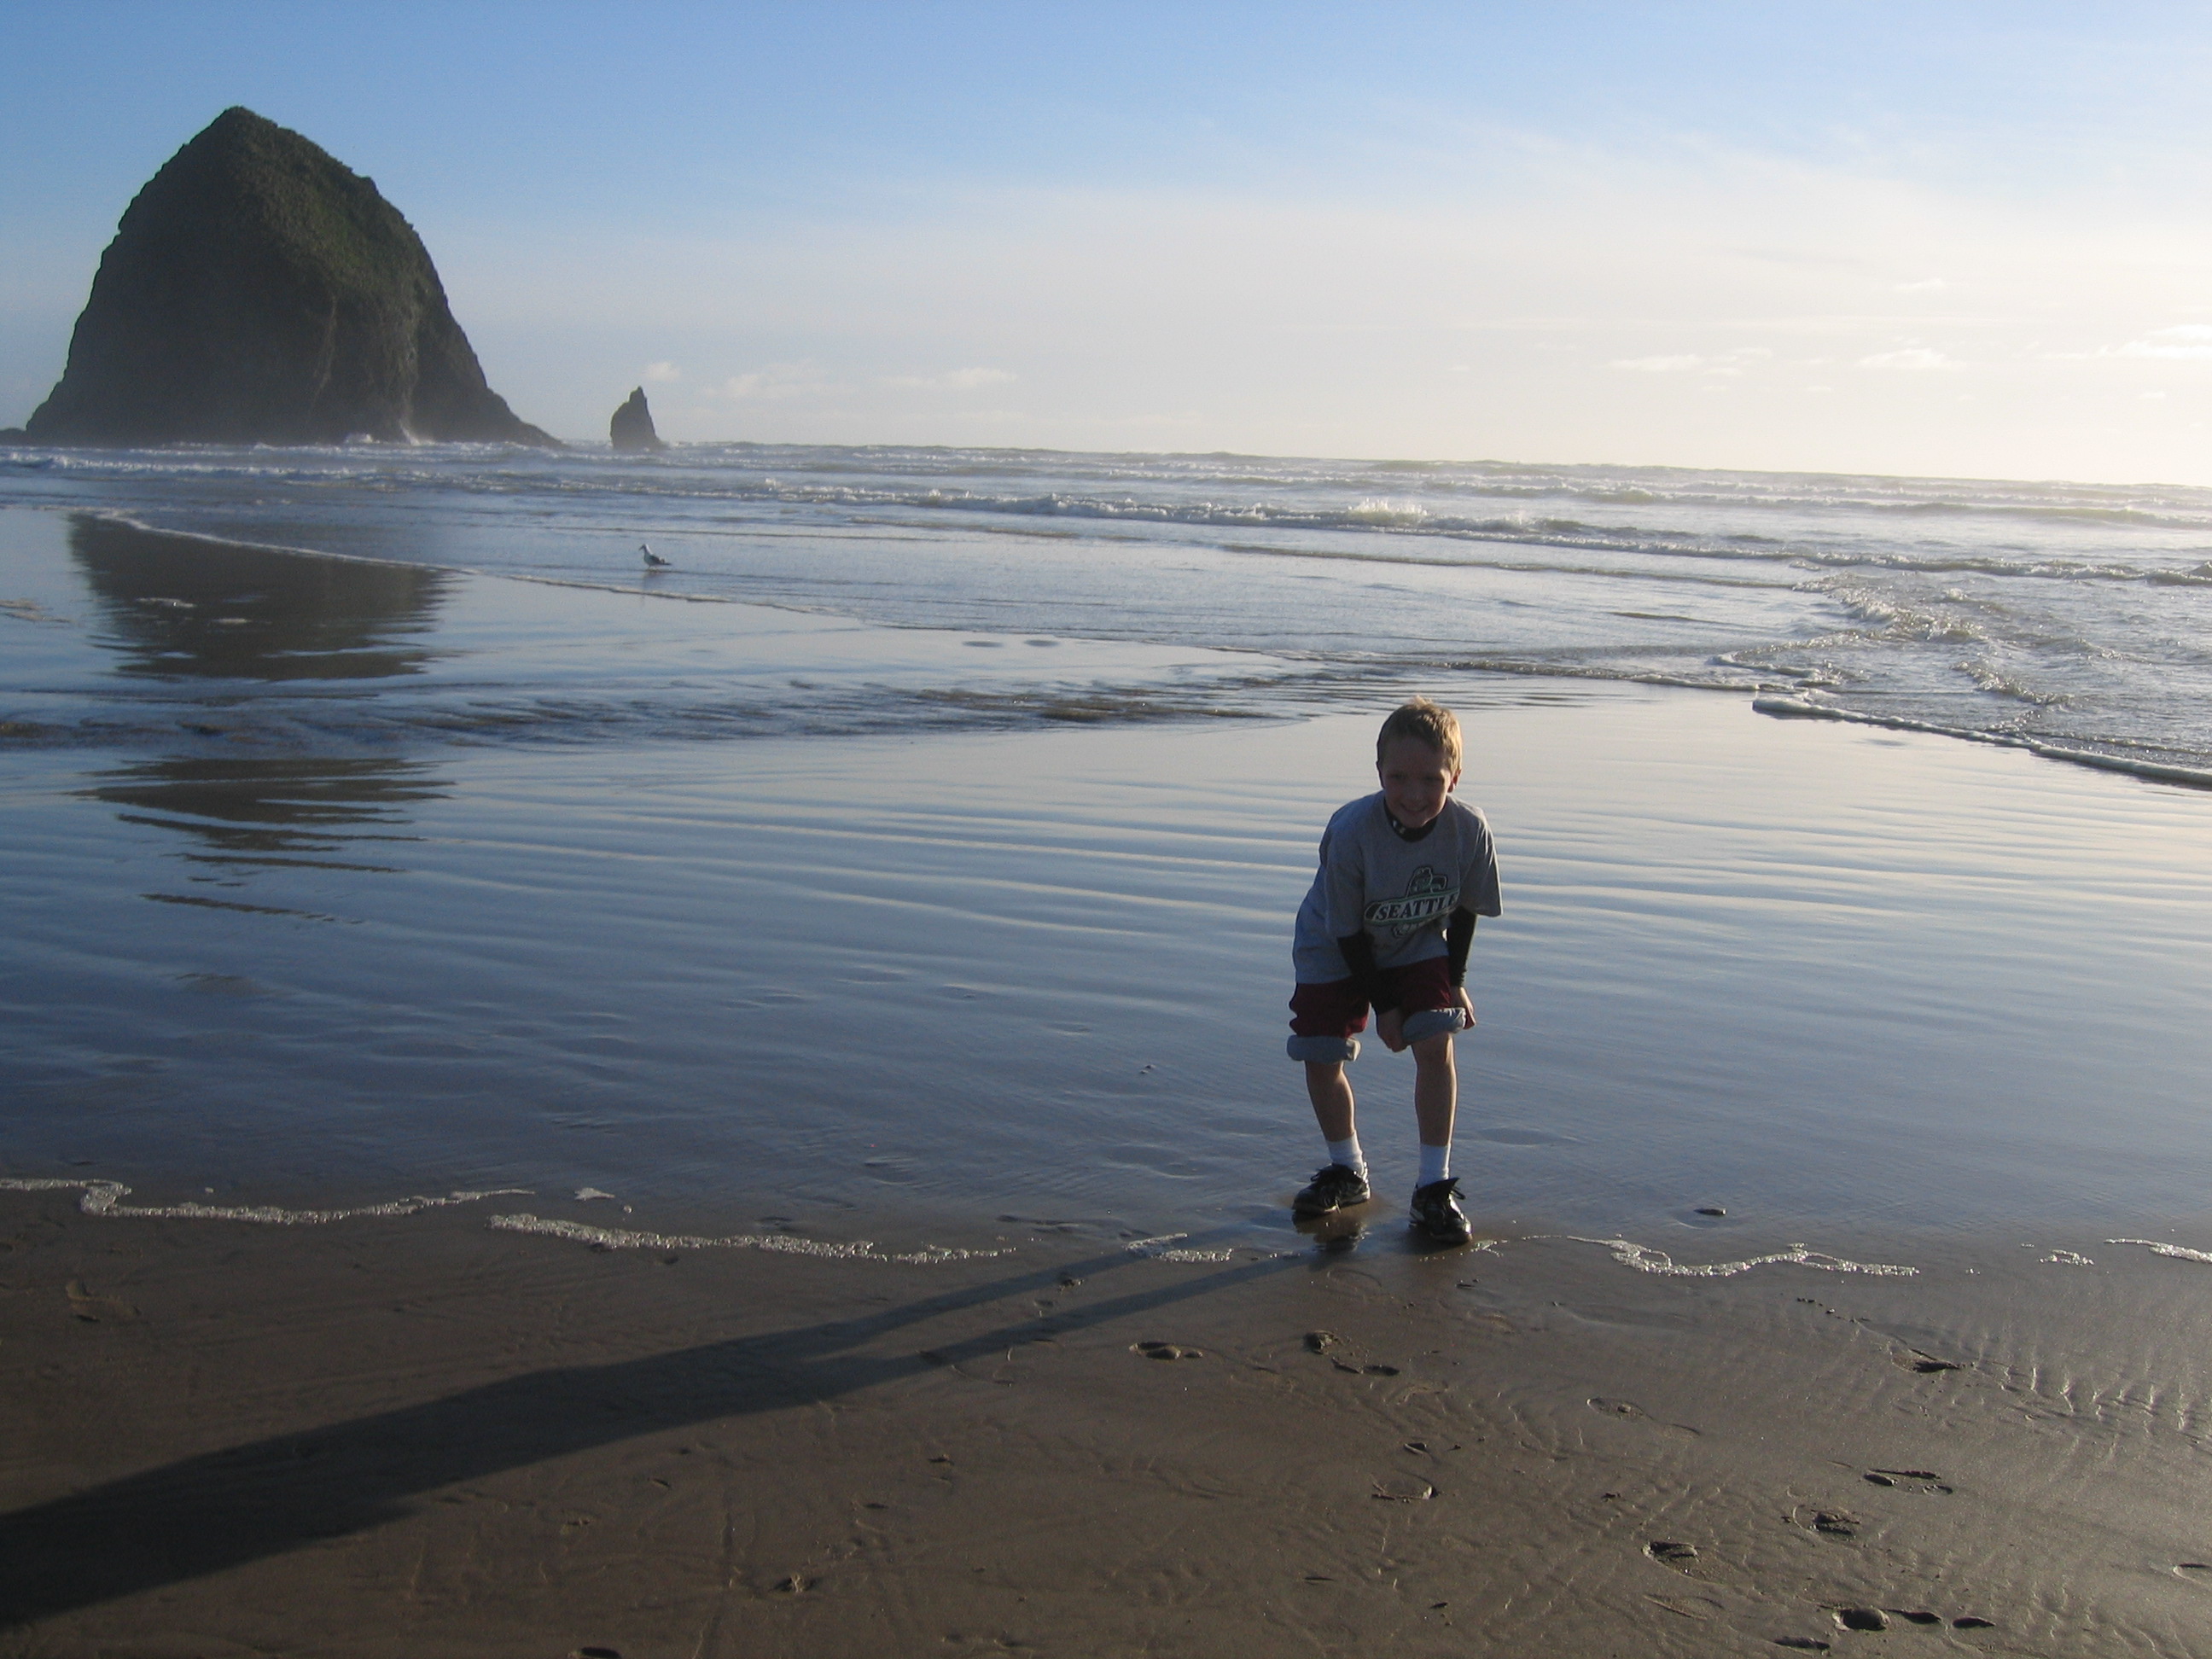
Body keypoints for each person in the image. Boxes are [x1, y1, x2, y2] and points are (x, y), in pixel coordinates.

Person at [1285, 697, 1501, 1243]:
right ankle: (1347, 1170)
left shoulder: (1469, 830)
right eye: (1398, 777)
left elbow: (1468, 910)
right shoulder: (1353, 830)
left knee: (1436, 1041)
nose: (1413, 794)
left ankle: (1433, 1188)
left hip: (1416, 939)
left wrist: (1455, 981)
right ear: (1378, 772)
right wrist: (1386, 1006)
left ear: (1455, 777)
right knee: (1320, 1050)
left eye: (1431, 779)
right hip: (1335, 942)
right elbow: (1348, 930)